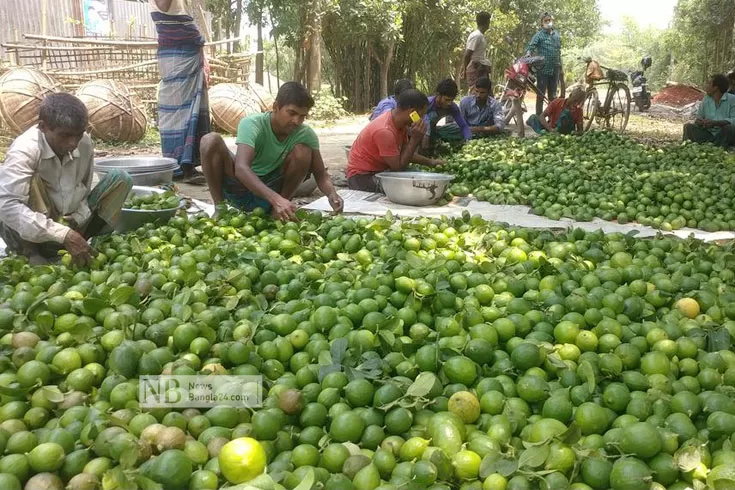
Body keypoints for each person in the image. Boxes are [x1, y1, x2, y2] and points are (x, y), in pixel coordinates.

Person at [0, 93, 133, 266]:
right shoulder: (24, 151)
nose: (73, 143)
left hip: (69, 221)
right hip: (32, 233)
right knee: (26, 183)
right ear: (43, 127)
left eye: (78, 134)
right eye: (65, 135)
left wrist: (77, 220)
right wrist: (61, 233)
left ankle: (87, 243)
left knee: (121, 179)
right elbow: (8, 206)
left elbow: (84, 186)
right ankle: (31, 251)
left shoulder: (84, 143)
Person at [200, 82, 343, 221]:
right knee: (210, 141)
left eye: (302, 116)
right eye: (292, 113)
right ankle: (220, 208)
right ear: (276, 107)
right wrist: (275, 199)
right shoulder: (252, 124)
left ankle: (279, 211)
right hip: (241, 186)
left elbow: (321, 175)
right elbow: (241, 168)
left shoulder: (305, 134)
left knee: (303, 152)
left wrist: (332, 194)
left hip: (273, 188)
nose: (297, 121)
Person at [150, 0, 210, 185]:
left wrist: (203, 58)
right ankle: (177, 165)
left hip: (190, 57)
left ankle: (189, 165)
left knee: (193, 110)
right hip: (177, 59)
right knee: (176, 114)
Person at [347, 89, 444, 193]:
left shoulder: (401, 124)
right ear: (412, 113)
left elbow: (405, 152)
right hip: (362, 176)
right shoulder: (385, 131)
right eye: (421, 115)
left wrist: (430, 162)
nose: (422, 119)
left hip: (381, 170)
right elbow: (398, 167)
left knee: (418, 177)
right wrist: (415, 139)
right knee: (405, 188)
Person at [683, 74, 735, 148]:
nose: (706, 86)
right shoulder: (706, 99)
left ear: (715, 88)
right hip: (708, 134)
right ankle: (688, 148)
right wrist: (700, 122)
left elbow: (734, 120)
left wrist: (716, 123)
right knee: (688, 127)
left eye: (709, 84)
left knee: (730, 128)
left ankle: (717, 147)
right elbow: (699, 117)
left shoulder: (732, 99)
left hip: (723, 134)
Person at [526, 12, 562, 116]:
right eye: (545, 21)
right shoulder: (539, 35)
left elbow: (559, 52)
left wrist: (561, 69)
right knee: (540, 94)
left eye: (549, 20)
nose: (548, 22)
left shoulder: (556, 35)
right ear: (542, 23)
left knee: (553, 96)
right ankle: (538, 118)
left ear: (552, 21)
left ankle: (552, 118)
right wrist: (528, 54)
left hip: (555, 68)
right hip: (543, 69)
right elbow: (531, 46)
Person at [423, 78, 472, 147]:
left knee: (458, 130)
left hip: (435, 130)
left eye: (452, 100)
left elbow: (463, 126)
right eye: (447, 100)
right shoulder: (427, 103)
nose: (449, 103)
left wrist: (468, 141)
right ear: (438, 95)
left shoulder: (452, 107)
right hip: (419, 131)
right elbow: (412, 117)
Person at [460, 11, 492, 92]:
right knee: (476, 91)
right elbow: (468, 54)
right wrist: (464, 69)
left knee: (485, 92)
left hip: (480, 68)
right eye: (489, 21)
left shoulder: (481, 36)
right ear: (486, 22)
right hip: (476, 68)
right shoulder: (476, 36)